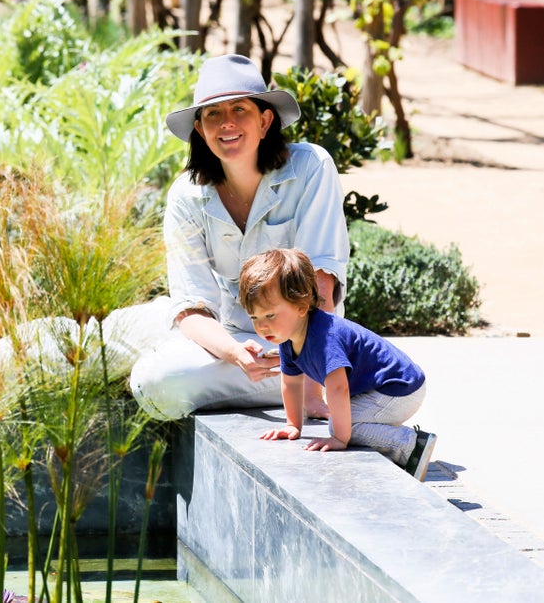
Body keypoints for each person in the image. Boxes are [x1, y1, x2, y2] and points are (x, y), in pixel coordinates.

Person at [129, 54, 350, 421]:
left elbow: (320, 287)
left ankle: (298, 384)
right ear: (199, 129)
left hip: (306, 342)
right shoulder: (186, 195)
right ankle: (276, 386)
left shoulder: (312, 168)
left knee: (166, 379)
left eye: (239, 109)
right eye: (213, 114)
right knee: (155, 381)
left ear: (265, 121)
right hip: (228, 341)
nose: (226, 123)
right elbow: (192, 309)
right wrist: (234, 353)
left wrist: (311, 387)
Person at [237, 247, 437, 480]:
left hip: (400, 389)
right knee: (343, 422)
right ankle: (398, 442)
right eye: (255, 318)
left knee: (343, 427)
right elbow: (291, 383)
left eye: (269, 315)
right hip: (381, 388)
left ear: (301, 307)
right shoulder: (288, 337)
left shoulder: (324, 337)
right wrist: (293, 425)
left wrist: (340, 438)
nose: (262, 326)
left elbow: (338, 388)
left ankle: (411, 446)